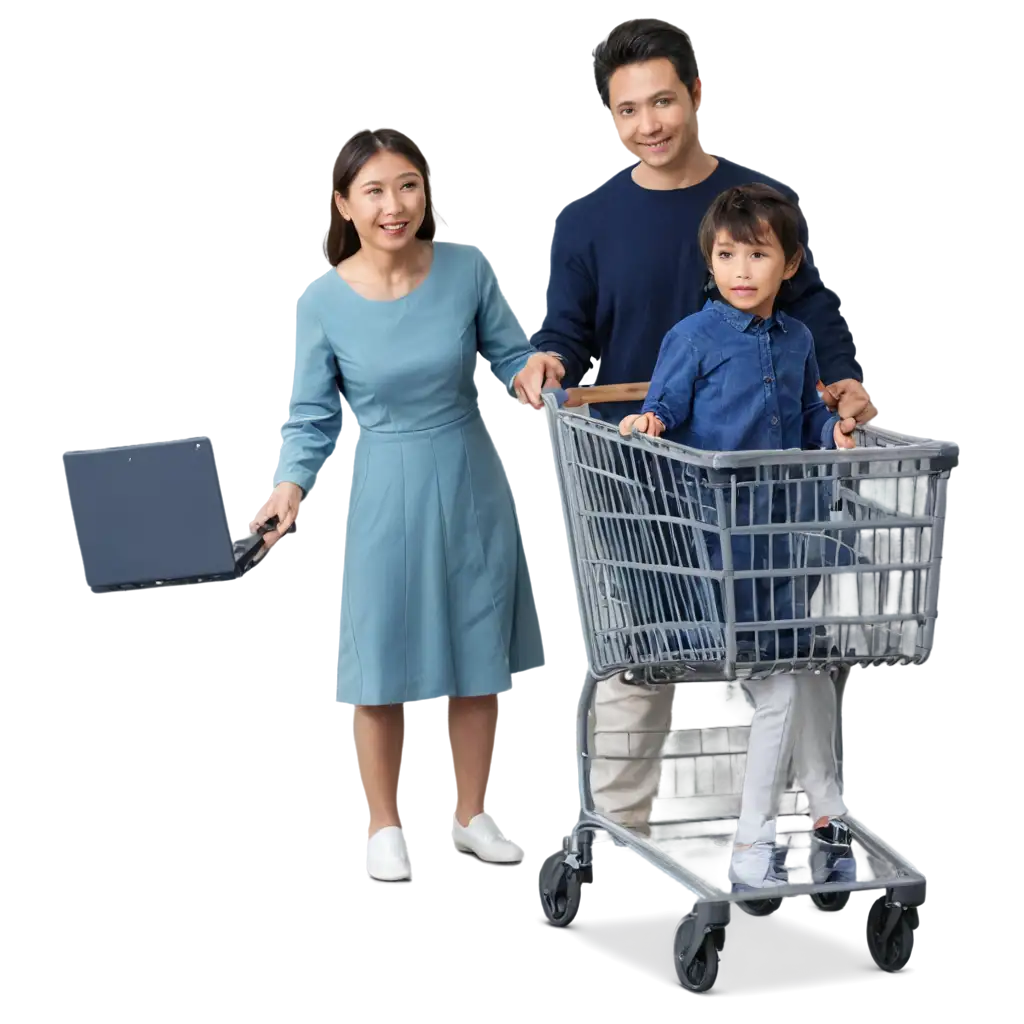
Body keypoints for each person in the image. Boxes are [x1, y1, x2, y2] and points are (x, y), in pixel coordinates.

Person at [532, 16, 875, 838]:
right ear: (611, 121)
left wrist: (846, 379)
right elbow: (564, 329)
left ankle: (800, 829)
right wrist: (545, 359)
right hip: (639, 479)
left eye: (662, 101)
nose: (647, 124)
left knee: (781, 652)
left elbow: (811, 305)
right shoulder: (587, 223)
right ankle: (619, 829)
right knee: (640, 657)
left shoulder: (754, 206)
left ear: (696, 95)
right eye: (627, 111)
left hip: (755, 484)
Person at [249, 130, 565, 887]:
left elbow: (508, 353)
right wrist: (288, 486)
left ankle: (474, 817)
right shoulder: (324, 298)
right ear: (344, 205)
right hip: (386, 486)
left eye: (409, 187)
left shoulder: (468, 269)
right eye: (376, 191)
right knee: (378, 663)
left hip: (470, 480)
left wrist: (532, 372)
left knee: (477, 658)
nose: (396, 206)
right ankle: (384, 828)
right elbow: (308, 414)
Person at [620, 183, 855, 889]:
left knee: (810, 667)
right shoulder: (694, 337)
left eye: (758, 254)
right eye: (727, 255)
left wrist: (832, 430)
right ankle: (751, 844)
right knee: (782, 687)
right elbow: (662, 402)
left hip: (781, 539)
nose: (741, 270)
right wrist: (651, 422)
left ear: (790, 264)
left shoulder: (799, 340)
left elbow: (807, 414)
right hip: (716, 550)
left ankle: (827, 811)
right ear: (711, 262)